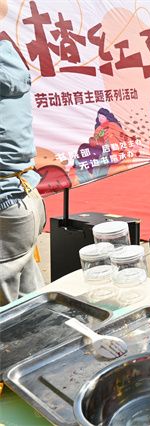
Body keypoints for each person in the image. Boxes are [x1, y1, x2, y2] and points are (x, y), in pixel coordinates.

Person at [0, 40, 46, 305]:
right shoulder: (8, 59)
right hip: (25, 195)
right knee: (30, 297)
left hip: (7, 205)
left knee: (9, 313)